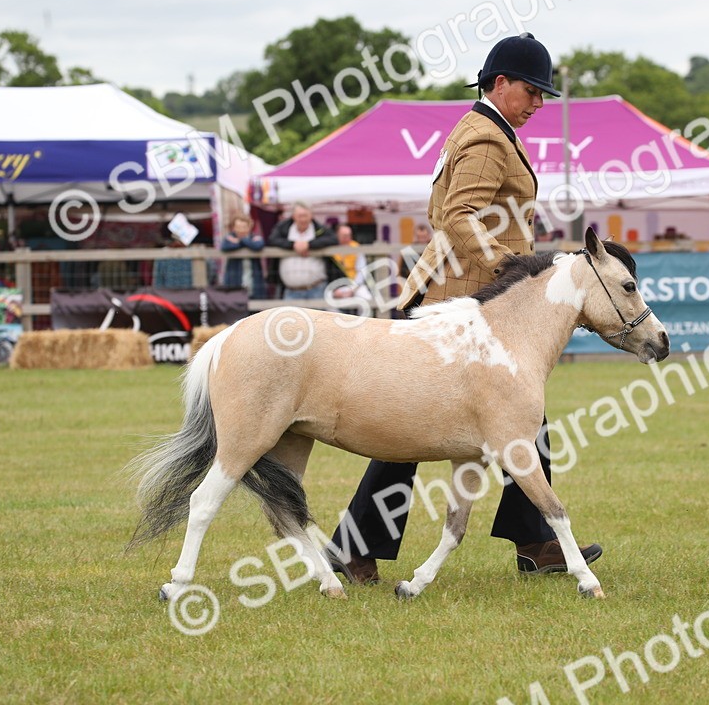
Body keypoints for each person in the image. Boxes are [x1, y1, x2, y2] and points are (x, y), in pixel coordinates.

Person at [326, 32, 602, 584]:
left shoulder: (486, 129)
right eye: (531, 91)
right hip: (458, 300)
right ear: (500, 84)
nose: (539, 104)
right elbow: (457, 216)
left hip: (465, 297)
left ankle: (535, 540)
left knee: (521, 421)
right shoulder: (486, 139)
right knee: (407, 434)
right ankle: (354, 550)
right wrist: (512, 266)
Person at [267, 202, 338, 300]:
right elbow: (272, 240)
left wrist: (309, 245)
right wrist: (293, 245)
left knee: (317, 315)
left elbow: (333, 239)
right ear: (293, 216)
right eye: (300, 216)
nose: (303, 219)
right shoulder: (283, 228)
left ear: (311, 215)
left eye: (305, 216)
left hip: (316, 288)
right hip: (290, 290)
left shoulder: (320, 229)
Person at [221, 214, 267, 298]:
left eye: (244, 227)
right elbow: (225, 246)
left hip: (254, 286)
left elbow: (258, 245)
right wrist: (248, 243)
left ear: (249, 227)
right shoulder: (229, 238)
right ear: (234, 228)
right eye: (238, 227)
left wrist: (241, 241)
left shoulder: (255, 237)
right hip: (235, 286)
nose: (241, 230)